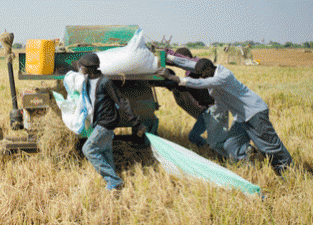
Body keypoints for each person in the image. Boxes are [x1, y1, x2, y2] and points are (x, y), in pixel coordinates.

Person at [159, 57, 292, 176]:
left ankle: (288, 172)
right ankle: (249, 172)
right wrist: (170, 58)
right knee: (231, 145)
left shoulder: (223, 76)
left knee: (268, 146)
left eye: (203, 75)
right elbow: (190, 64)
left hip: (254, 112)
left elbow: (202, 84)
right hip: (241, 117)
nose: (202, 77)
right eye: (200, 75)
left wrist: (175, 78)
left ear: (210, 69)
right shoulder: (208, 71)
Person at [78, 53, 145, 190]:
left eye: (82, 66)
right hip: (99, 122)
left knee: (88, 149)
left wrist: (136, 123)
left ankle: (113, 180)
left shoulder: (105, 82)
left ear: (90, 68)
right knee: (105, 151)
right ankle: (114, 183)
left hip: (106, 122)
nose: (80, 68)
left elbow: (122, 102)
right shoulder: (87, 80)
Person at [165, 48, 229, 158]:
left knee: (217, 140)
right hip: (207, 110)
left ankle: (227, 154)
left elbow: (192, 81)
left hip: (215, 108)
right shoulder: (191, 70)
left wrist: (171, 72)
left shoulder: (198, 66)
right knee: (195, 136)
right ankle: (210, 149)